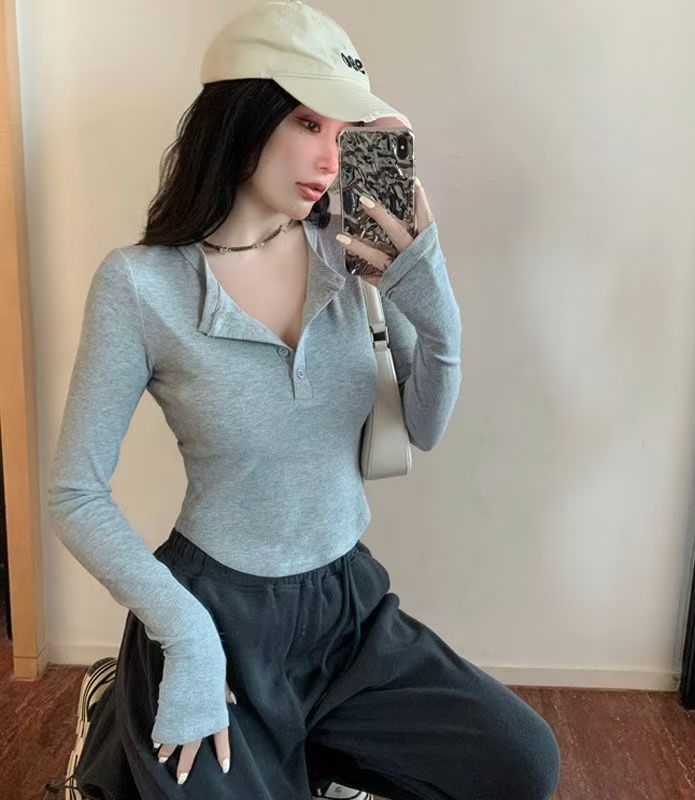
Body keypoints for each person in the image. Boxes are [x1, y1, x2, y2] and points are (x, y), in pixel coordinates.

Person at [46, 2, 561, 798]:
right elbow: (75, 492)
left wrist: (434, 305)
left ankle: (313, 756)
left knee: (522, 764)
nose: (329, 157)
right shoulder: (141, 286)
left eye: (345, 132)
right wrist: (185, 634)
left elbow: (424, 426)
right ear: (241, 116)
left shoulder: (352, 254)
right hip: (215, 614)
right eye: (307, 122)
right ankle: (120, 707)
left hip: (347, 611)